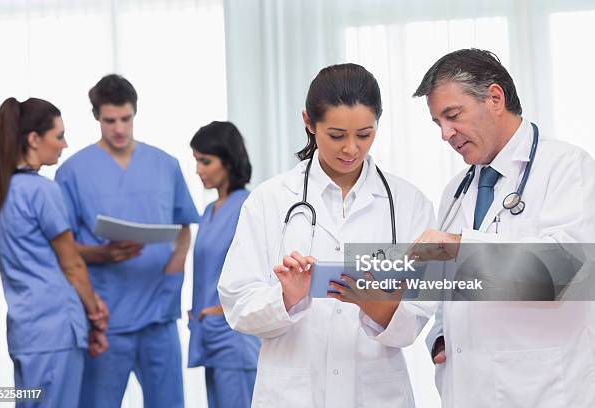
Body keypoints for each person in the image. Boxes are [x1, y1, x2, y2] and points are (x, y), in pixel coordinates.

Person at [218, 63, 436, 408]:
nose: (351, 149)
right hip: (293, 395)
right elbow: (238, 305)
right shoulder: (271, 200)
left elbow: (420, 315)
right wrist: (287, 298)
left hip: (378, 395)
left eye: (364, 134)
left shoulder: (409, 204)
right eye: (337, 135)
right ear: (309, 122)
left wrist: (380, 307)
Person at [408, 49, 595, 407]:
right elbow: (451, 289)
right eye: (437, 123)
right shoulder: (456, 191)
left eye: (452, 116)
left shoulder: (568, 168)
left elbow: (564, 274)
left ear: (495, 98)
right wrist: (443, 336)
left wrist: (458, 245)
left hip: (544, 390)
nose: (445, 134)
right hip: (469, 390)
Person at [55, 75, 199, 408]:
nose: (119, 128)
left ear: (135, 113)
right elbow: (62, 248)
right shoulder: (73, 172)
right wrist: (102, 254)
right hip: (107, 320)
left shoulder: (165, 165)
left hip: (159, 317)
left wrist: (174, 272)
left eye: (125, 119)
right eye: (109, 121)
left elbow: (183, 227)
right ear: (96, 118)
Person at [0, 97, 109, 407]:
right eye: (58, 136)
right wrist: (95, 314)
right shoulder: (42, 191)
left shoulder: (2, 194)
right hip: (56, 331)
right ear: (33, 139)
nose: (64, 144)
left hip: (25, 333)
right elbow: (71, 265)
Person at [188, 121, 260, 408]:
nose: (199, 170)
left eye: (206, 161)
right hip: (209, 334)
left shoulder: (249, 206)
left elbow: (266, 272)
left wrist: (220, 310)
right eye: (196, 161)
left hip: (234, 336)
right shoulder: (208, 212)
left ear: (228, 161)